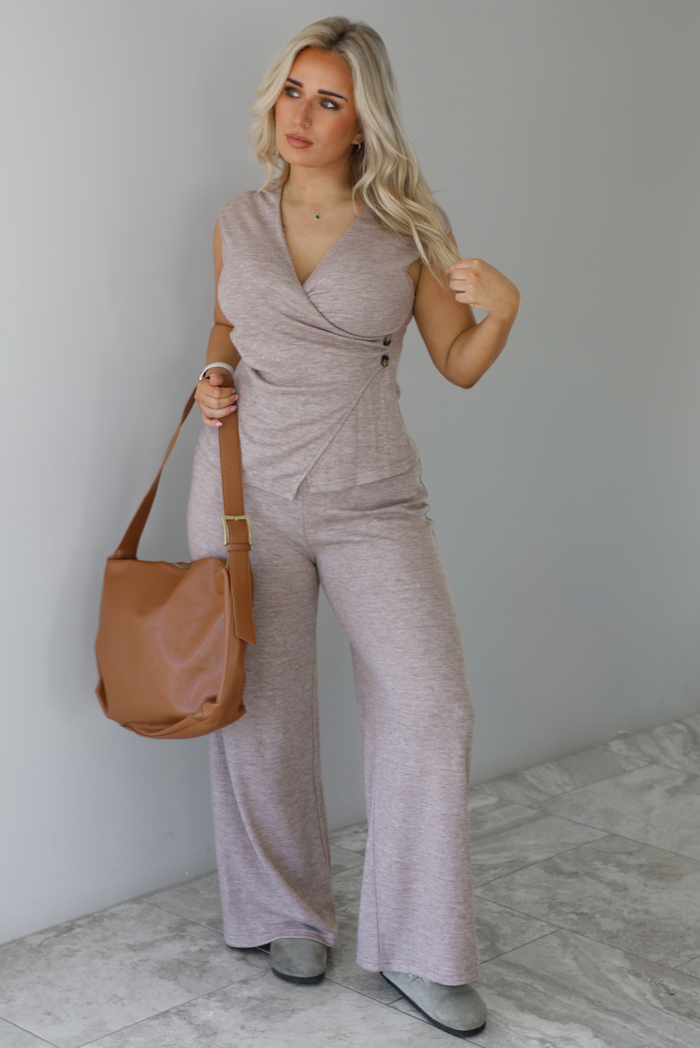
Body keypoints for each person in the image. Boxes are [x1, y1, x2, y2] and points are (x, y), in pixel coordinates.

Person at [186, 16, 519, 1039]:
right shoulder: (235, 220)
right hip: (248, 493)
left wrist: (501, 310)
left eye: (329, 100)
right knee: (264, 713)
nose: (303, 115)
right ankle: (285, 909)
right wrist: (209, 376)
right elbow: (229, 325)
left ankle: (420, 947)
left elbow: (456, 363)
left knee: (430, 707)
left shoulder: (406, 229)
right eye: (294, 91)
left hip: (373, 495)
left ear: (362, 120)